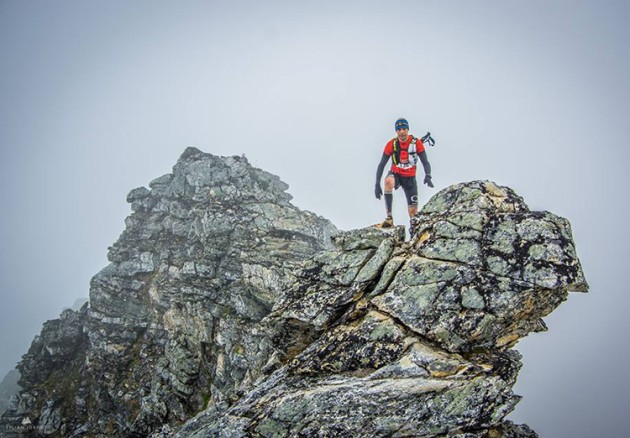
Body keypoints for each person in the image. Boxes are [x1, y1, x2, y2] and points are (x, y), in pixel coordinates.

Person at [374, 117, 433, 227]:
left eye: (404, 129)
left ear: (408, 130)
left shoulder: (416, 143)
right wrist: (377, 184)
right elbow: (381, 164)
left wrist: (428, 175)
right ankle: (389, 218)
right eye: (399, 129)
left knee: (413, 214)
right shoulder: (391, 144)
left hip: (410, 179)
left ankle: (414, 235)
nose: (402, 132)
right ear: (396, 131)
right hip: (396, 174)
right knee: (388, 181)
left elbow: (425, 162)